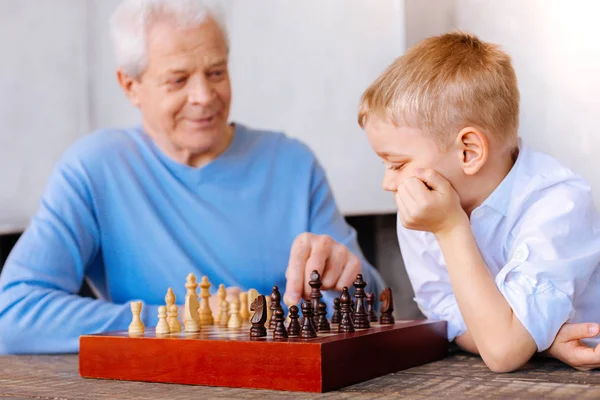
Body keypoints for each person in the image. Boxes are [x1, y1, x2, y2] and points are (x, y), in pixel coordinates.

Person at [0, 0, 384, 354]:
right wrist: (187, 318)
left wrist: (345, 275)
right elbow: (15, 316)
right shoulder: (93, 168)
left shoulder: (293, 163)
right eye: (178, 80)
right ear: (130, 86)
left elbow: (371, 299)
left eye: (216, 72)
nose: (204, 95)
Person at [358, 31, 600, 372]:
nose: (388, 183)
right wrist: (541, 345)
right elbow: (449, 322)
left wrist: (450, 228)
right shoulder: (422, 208)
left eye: (397, 164)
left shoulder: (559, 203)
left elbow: (502, 352)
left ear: (468, 151)